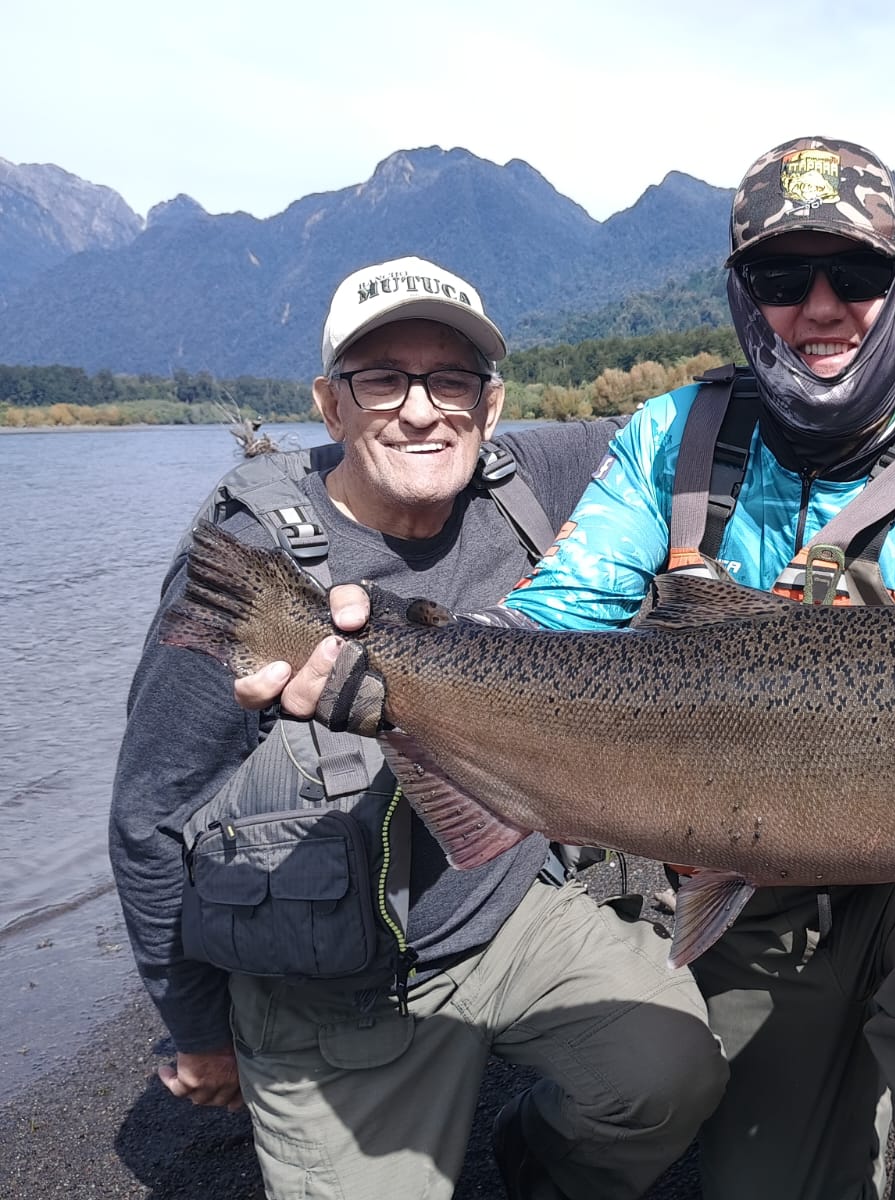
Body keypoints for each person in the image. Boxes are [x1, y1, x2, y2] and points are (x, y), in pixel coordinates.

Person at [494, 137, 895, 1199]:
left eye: (858, 275)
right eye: (784, 278)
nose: (820, 306)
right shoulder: (672, 439)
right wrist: (415, 664)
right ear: (744, 293)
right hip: (750, 878)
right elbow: (555, 620)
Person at [108, 255, 730, 1200]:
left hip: (511, 916)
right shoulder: (256, 554)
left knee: (673, 1072)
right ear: (330, 404)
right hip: (330, 990)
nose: (420, 409)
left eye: (451, 380)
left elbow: (697, 423)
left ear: (489, 403)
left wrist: (891, 371)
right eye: (382, 379)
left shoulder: (532, 478)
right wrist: (196, 1034)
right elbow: (150, 814)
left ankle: (536, 1163)